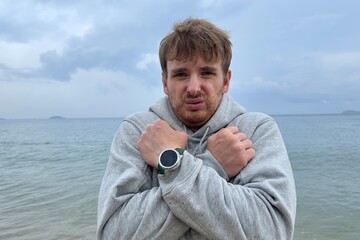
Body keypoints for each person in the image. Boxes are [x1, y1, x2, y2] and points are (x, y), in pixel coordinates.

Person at [97, 18, 296, 240]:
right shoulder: (139, 131)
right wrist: (214, 164)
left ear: (226, 80)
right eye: (181, 74)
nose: (193, 88)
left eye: (207, 73)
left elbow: (272, 231)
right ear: (165, 81)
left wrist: (171, 162)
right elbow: (113, 234)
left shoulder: (256, 130)